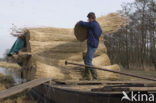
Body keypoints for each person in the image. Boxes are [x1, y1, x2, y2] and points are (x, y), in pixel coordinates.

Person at [79, 12, 102, 80]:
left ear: (91, 18)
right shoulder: (97, 24)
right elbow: (100, 31)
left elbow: (84, 24)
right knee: (86, 60)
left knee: (88, 61)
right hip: (93, 44)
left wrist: (79, 22)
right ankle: (87, 76)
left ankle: (95, 77)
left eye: (88, 18)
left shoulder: (93, 24)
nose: (88, 20)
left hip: (92, 44)